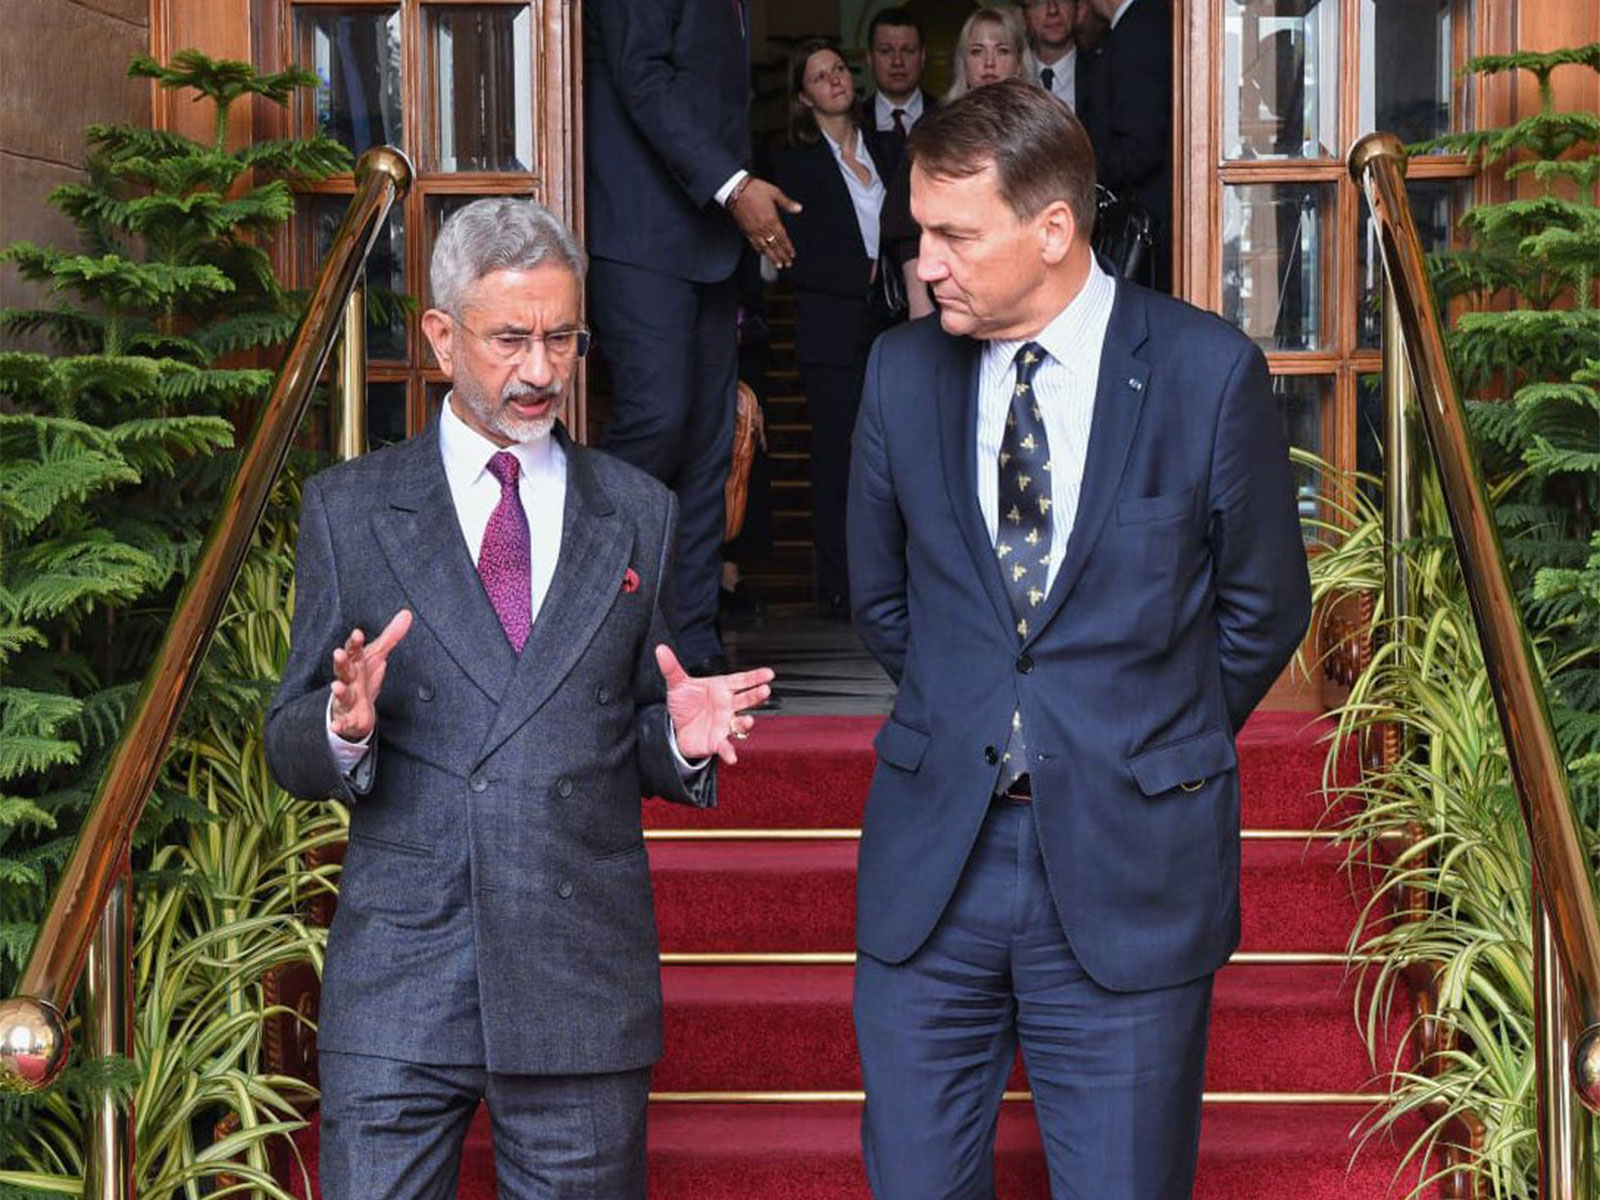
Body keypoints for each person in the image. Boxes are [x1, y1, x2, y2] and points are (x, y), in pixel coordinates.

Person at [847, 81, 1311, 1200]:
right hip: (933, 874)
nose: (927, 264)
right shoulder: (899, 372)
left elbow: (1263, 609)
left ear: (1053, 229)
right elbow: (877, 595)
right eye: (919, 235)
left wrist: (1138, 737)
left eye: (955, 236)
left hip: (1129, 863)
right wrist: (978, 715)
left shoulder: (1205, 373)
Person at [264, 198, 775, 1200]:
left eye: (562, 338)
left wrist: (676, 743)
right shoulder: (352, 509)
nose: (541, 371)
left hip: (577, 971)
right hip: (405, 972)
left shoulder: (638, 510)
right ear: (440, 336)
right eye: (511, 340)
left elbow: (625, 715)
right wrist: (341, 723)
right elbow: (288, 742)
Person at [583, 0, 801, 674]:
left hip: (709, 243)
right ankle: (590, 625)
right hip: (643, 236)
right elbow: (642, 78)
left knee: (710, 449)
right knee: (658, 420)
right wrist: (734, 187)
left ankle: (693, 651)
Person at [771, 39, 889, 622]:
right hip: (830, 327)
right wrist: (862, 270)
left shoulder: (891, 150)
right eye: (820, 76)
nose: (835, 79)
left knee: (895, 457)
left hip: (894, 321)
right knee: (838, 458)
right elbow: (789, 255)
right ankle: (840, 586)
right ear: (803, 96)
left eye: (839, 68)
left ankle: (895, 586)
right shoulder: (791, 166)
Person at [881, 6, 1038, 319]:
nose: (989, 62)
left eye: (1002, 50)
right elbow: (902, 222)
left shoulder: (1041, 131)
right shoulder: (935, 127)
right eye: (977, 51)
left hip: (1024, 292)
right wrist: (918, 299)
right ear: (964, 64)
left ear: (1019, 63)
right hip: (948, 295)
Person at [1077, 0, 1173, 290]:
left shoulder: (1138, 32)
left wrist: (1076, 170)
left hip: (1146, 229)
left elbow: (1140, 149)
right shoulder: (1137, 25)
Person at [860, 6, 936, 179]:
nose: (897, 62)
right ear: (869, 58)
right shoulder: (854, 122)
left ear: (922, 57)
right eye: (885, 51)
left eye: (908, 51)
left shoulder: (946, 117)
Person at [1021, 0, 1086, 112]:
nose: (1052, 10)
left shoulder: (1103, 73)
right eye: (1040, 2)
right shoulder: (1012, 75)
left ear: (1078, 8)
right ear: (1025, 15)